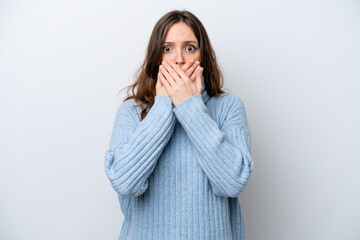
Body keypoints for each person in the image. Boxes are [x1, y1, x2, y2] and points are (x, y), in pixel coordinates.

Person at [104, 9, 254, 240]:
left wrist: (190, 106)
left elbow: (233, 183)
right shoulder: (131, 111)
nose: (179, 59)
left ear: (202, 56)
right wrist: (163, 105)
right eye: (167, 48)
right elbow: (125, 182)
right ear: (157, 58)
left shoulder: (228, 107)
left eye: (190, 47)